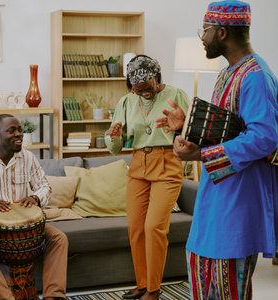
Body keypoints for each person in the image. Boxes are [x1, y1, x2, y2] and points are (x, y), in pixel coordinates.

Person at [156, 1, 278, 299]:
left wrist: (201, 155)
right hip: (214, 201)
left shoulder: (255, 76)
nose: (202, 37)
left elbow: (264, 137)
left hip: (237, 203)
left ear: (222, 32)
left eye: (206, 30)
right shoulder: (227, 73)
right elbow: (225, 130)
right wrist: (186, 127)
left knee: (228, 290)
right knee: (203, 285)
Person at [104, 55, 190, 300]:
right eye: (136, 88)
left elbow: (189, 131)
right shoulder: (127, 101)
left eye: (146, 87)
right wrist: (113, 135)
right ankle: (141, 284)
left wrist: (180, 128)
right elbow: (115, 147)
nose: (141, 92)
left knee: (154, 227)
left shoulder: (177, 94)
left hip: (167, 163)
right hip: (138, 164)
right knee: (136, 228)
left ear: (156, 76)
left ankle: (153, 289)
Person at [0, 114, 68, 300]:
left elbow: (45, 187)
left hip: (27, 225)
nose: (19, 134)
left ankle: (54, 296)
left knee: (58, 239)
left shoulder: (28, 158)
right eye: (12, 131)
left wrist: (35, 197)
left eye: (20, 130)